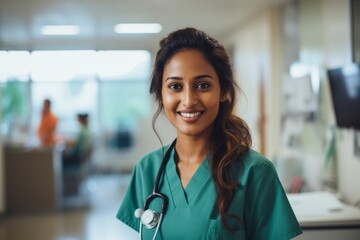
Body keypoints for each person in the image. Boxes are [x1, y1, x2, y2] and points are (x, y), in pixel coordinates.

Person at [116, 27, 303, 239]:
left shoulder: (255, 172)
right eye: (175, 86)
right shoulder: (146, 170)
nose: (188, 100)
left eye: (203, 85)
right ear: (161, 95)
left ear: (223, 91)